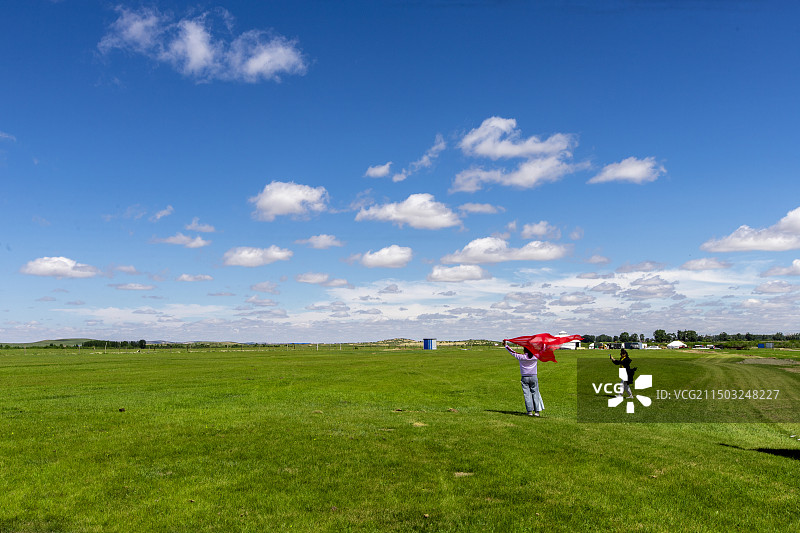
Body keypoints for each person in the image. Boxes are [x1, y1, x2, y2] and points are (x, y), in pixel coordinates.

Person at [504, 340, 544, 416]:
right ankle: (537, 412)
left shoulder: (521, 357)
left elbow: (512, 352)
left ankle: (529, 411)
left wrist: (506, 345)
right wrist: (543, 344)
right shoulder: (535, 356)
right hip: (533, 377)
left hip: (525, 377)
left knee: (527, 394)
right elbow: (542, 351)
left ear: (525, 350)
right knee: (535, 393)